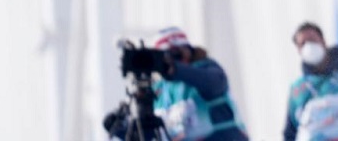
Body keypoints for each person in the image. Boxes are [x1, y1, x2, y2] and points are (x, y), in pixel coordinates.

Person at [104, 26, 248, 141]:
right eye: (164, 56)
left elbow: (213, 83)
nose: (172, 60)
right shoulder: (158, 92)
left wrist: (174, 69)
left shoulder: (206, 69)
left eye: (175, 54)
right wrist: (121, 129)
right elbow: (152, 135)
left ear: (188, 51)